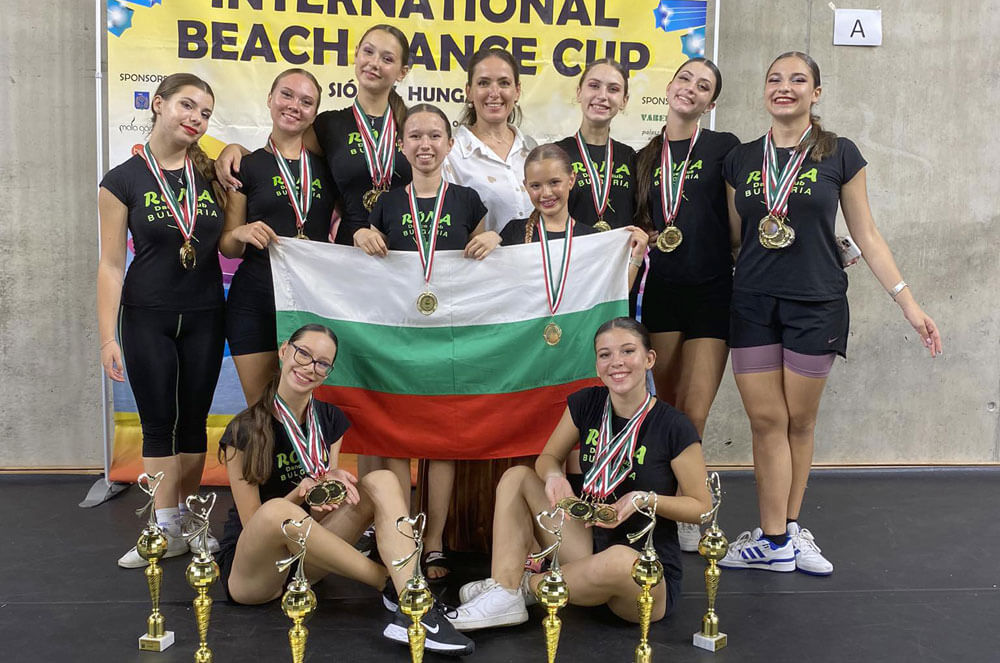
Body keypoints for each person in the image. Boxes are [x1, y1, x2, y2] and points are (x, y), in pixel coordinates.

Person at [719, 52, 942, 576]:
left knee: (799, 421)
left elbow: (867, 234)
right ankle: (774, 540)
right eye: (775, 79)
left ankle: (791, 528)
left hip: (815, 304)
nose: (785, 87)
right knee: (766, 420)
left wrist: (908, 303)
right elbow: (735, 238)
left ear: (815, 92)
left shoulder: (840, 153)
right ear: (764, 90)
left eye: (798, 80)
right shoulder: (741, 159)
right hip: (752, 302)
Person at [217, 324, 474, 656]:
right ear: (284, 351)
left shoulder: (330, 419)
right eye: (303, 354)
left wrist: (331, 486)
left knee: (382, 480)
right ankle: (397, 588)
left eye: (322, 363)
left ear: (328, 372)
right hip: (255, 573)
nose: (309, 367)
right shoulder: (244, 429)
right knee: (278, 511)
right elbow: (255, 523)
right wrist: (299, 494)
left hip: (305, 562)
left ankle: (413, 605)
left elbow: (320, 511)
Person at [446, 317, 710, 632]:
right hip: (584, 546)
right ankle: (505, 587)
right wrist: (553, 476)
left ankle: (520, 588)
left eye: (628, 351)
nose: (616, 362)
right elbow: (548, 458)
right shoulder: (586, 403)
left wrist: (644, 499)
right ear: (597, 364)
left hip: (643, 572)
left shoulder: (674, 426)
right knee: (517, 477)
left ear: (649, 359)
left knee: (620, 559)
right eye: (605, 354)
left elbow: (702, 508)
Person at [355, 103, 500, 582]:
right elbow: (367, 270)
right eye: (415, 136)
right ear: (401, 146)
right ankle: (403, 537)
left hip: (451, 339)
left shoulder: (467, 200)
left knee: (442, 445)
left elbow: (485, 269)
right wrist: (360, 236)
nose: (425, 144)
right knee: (397, 442)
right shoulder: (385, 204)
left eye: (435, 135)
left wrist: (495, 241)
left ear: (449, 144)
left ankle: (434, 543)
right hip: (400, 340)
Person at [98, 73, 226, 568]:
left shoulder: (213, 172)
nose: (196, 118)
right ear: (158, 104)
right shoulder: (122, 180)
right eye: (187, 106)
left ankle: (190, 520)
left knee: (193, 423)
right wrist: (107, 336)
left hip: (206, 315)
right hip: (146, 315)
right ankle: (163, 526)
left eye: (205, 113)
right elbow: (111, 264)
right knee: (158, 424)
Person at [633, 58, 740, 552]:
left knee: (694, 412)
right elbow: (638, 223)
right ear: (670, 85)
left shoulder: (723, 148)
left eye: (703, 86)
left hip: (712, 290)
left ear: (710, 103)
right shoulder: (643, 157)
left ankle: (691, 506)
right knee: (666, 409)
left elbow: (744, 214)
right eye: (685, 79)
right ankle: (660, 502)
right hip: (661, 290)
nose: (690, 89)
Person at [220, 68, 336, 407]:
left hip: (309, 300)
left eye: (306, 101)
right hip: (254, 299)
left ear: (314, 113)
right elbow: (228, 245)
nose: (294, 106)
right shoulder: (246, 166)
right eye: (286, 95)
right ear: (270, 99)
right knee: (261, 409)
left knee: (300, 406)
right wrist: (240, 232)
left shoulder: (329, 168)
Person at [442, 47, 537, 234]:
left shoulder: (533, 150)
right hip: (477, 254)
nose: (494, 93)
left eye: (504, 83)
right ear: (469, 91)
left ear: (517, 91)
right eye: (483, 83)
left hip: (536, 253)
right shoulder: (451, 154)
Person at [554, 58, 637, 231]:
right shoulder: (556, 154)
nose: (602, 96)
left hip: (620, 249)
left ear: (624, 100)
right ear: (579, 93)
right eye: (594, 86)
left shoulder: (631, 157)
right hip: (570, 248)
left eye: (613, 89)